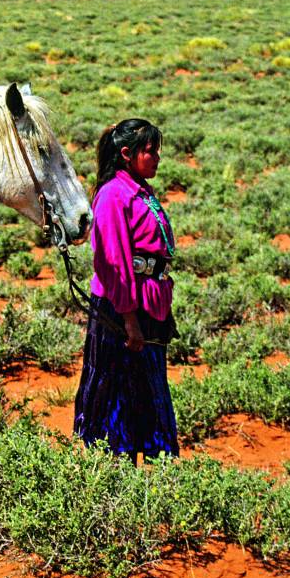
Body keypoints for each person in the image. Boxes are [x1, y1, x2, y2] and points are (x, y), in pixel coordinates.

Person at [73, 117, 179, 460]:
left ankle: (141, 474)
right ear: (127, 154)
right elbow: (114, 263)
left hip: (148, 305)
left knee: (144, 392)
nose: (158, 158)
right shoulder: (113, 195)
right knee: (119, 394)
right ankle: (116, 478)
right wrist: (130, 321)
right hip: (122, 312)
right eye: (151, 151)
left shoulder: (140, 190)